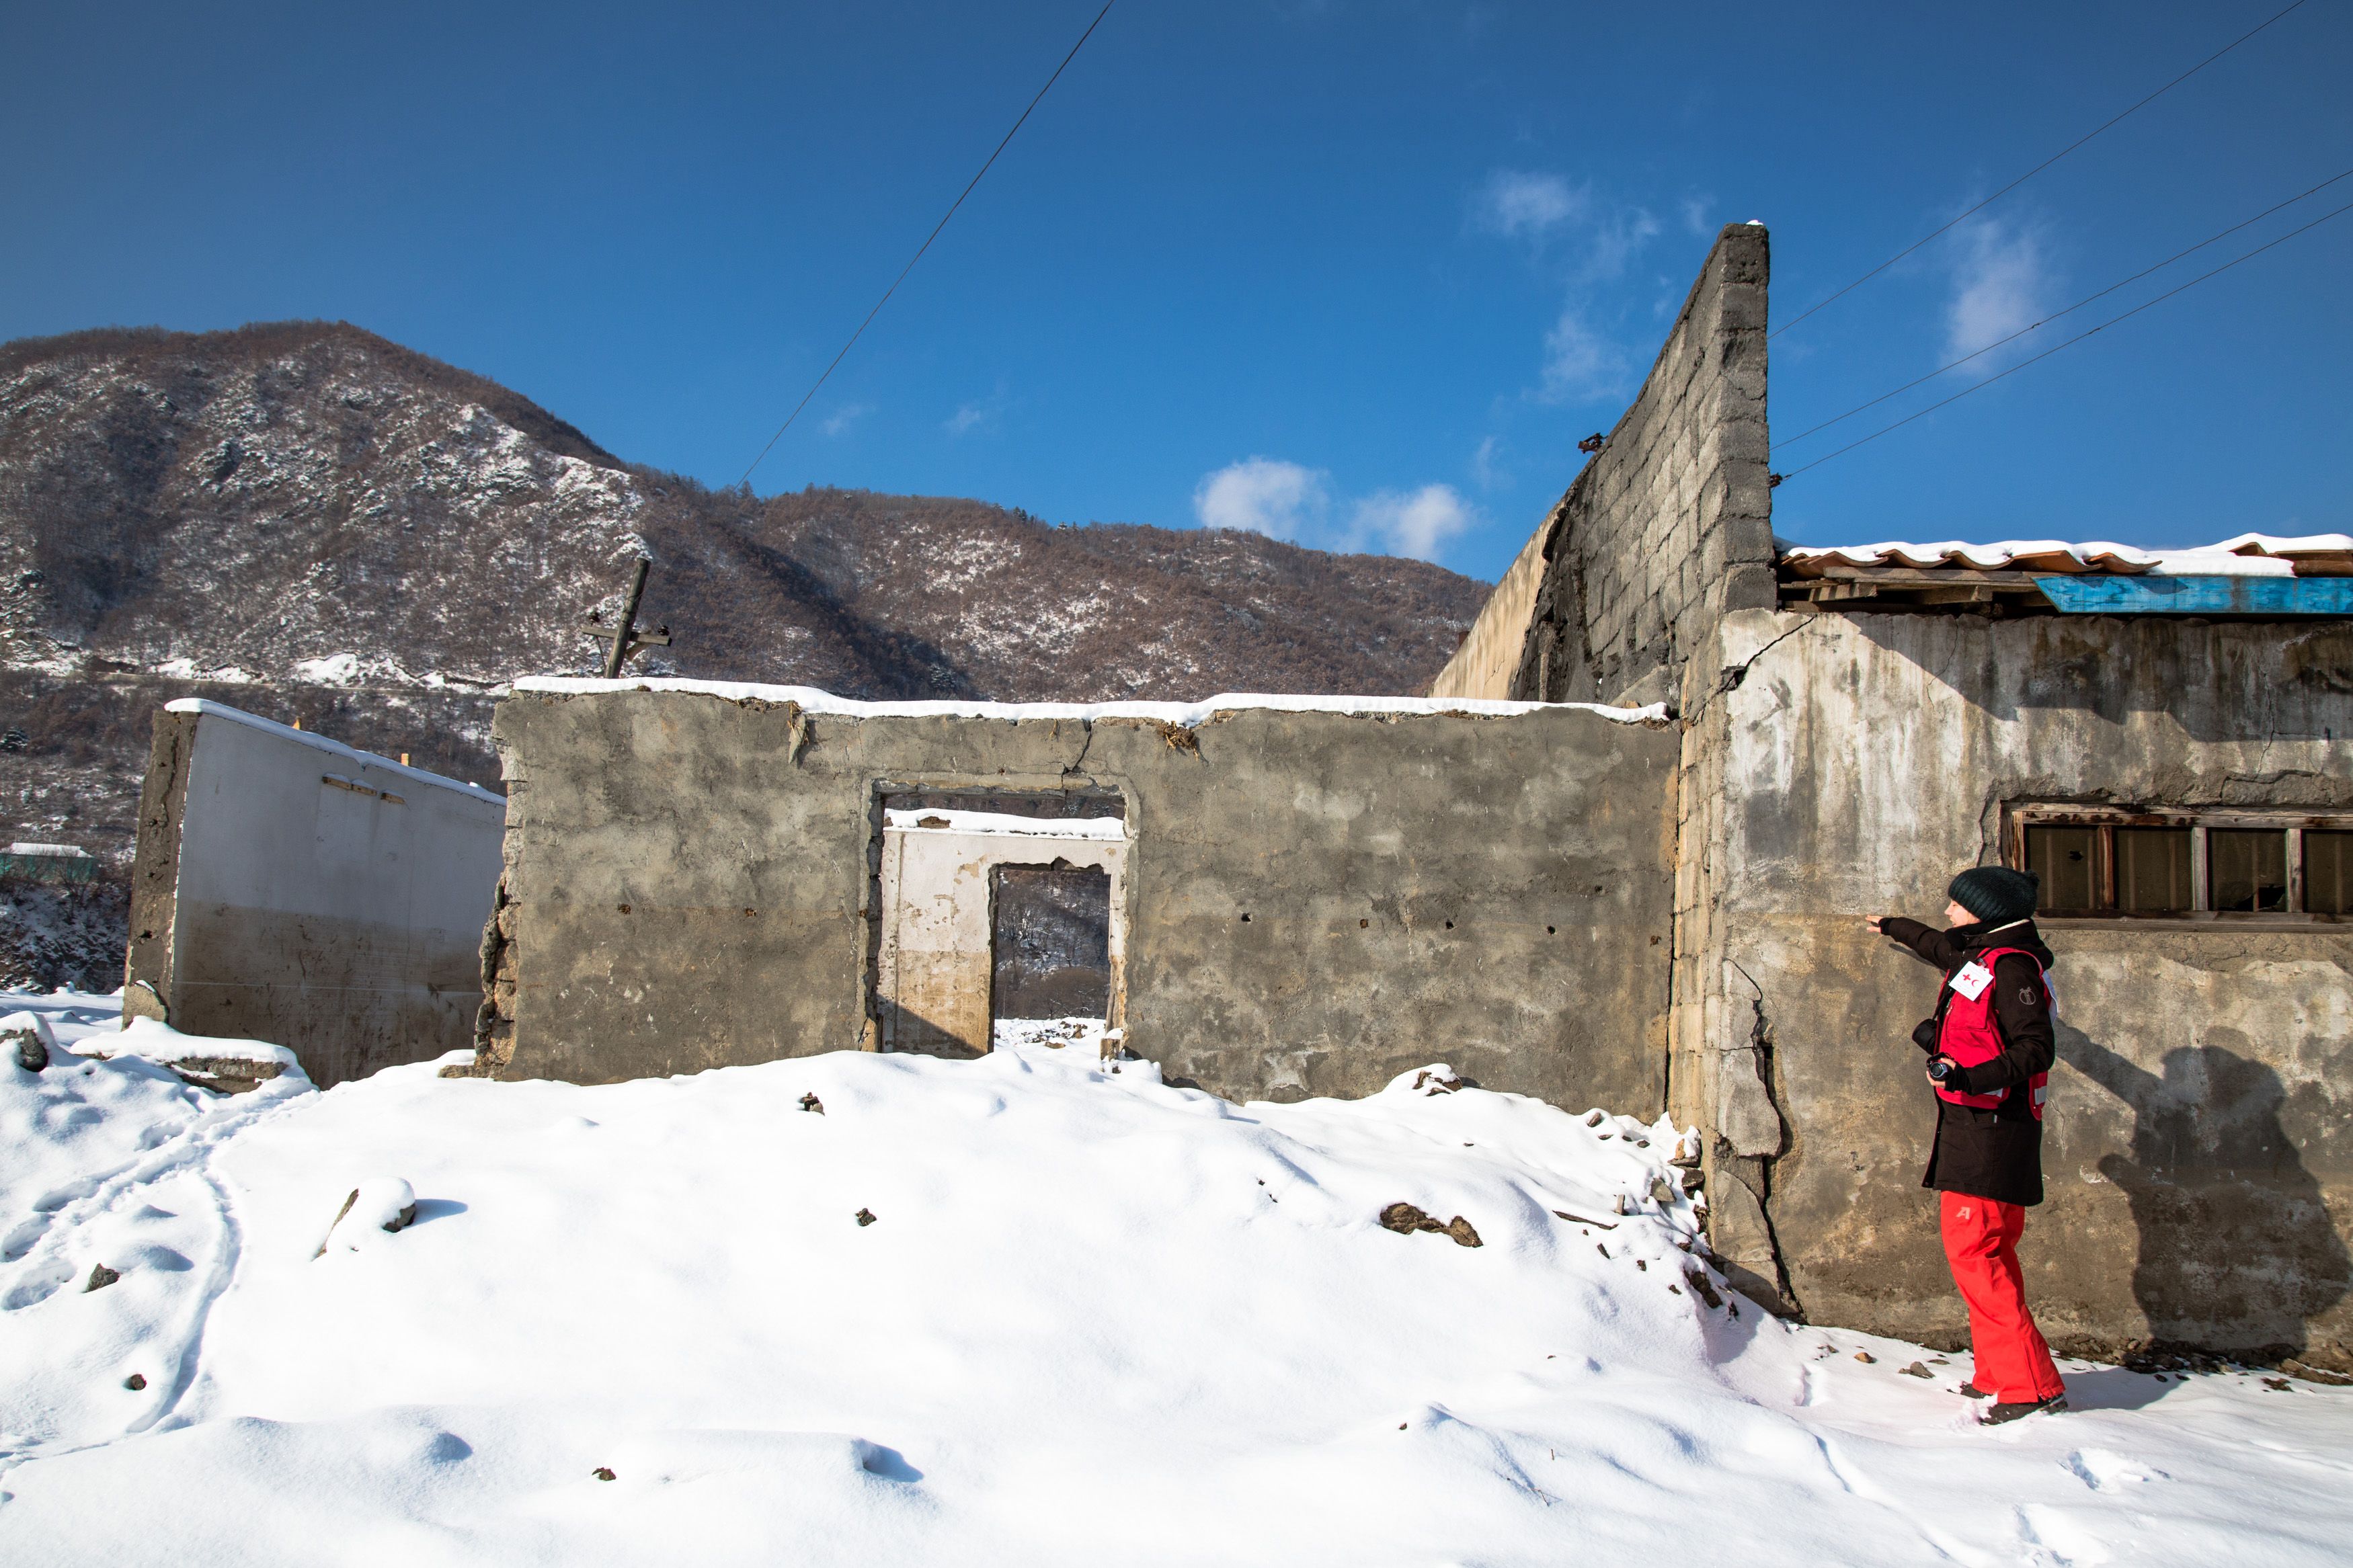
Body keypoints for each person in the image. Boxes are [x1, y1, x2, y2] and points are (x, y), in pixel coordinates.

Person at [1867, 866, 2068, 1425]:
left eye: (1958, 904)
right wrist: (1891, 925)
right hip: (1975, 1127)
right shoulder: (1982, 955)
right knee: (1988, 1253)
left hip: (1993, 1130)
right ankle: (1999, 1373)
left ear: (1987, 910)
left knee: (1976, 1251)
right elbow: (1939, 945)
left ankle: (2029, 1386)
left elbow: (2035, 1048)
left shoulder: (2011, 968)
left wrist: (1967, 1077)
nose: (1950, 912)